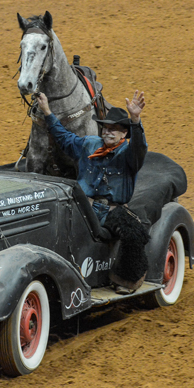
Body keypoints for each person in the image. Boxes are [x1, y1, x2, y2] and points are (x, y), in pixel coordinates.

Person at [36, 90, 150, 293]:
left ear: (124, 134)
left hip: (111, 211)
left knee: (135, 233)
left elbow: (140, 147)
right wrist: (46, 111)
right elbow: (64, 138)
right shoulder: (89, 144)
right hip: (82, 206)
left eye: (114, 129)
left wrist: (135, 119)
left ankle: (125, 280)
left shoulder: (130, 154)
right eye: (105, 128)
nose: (108, 132)